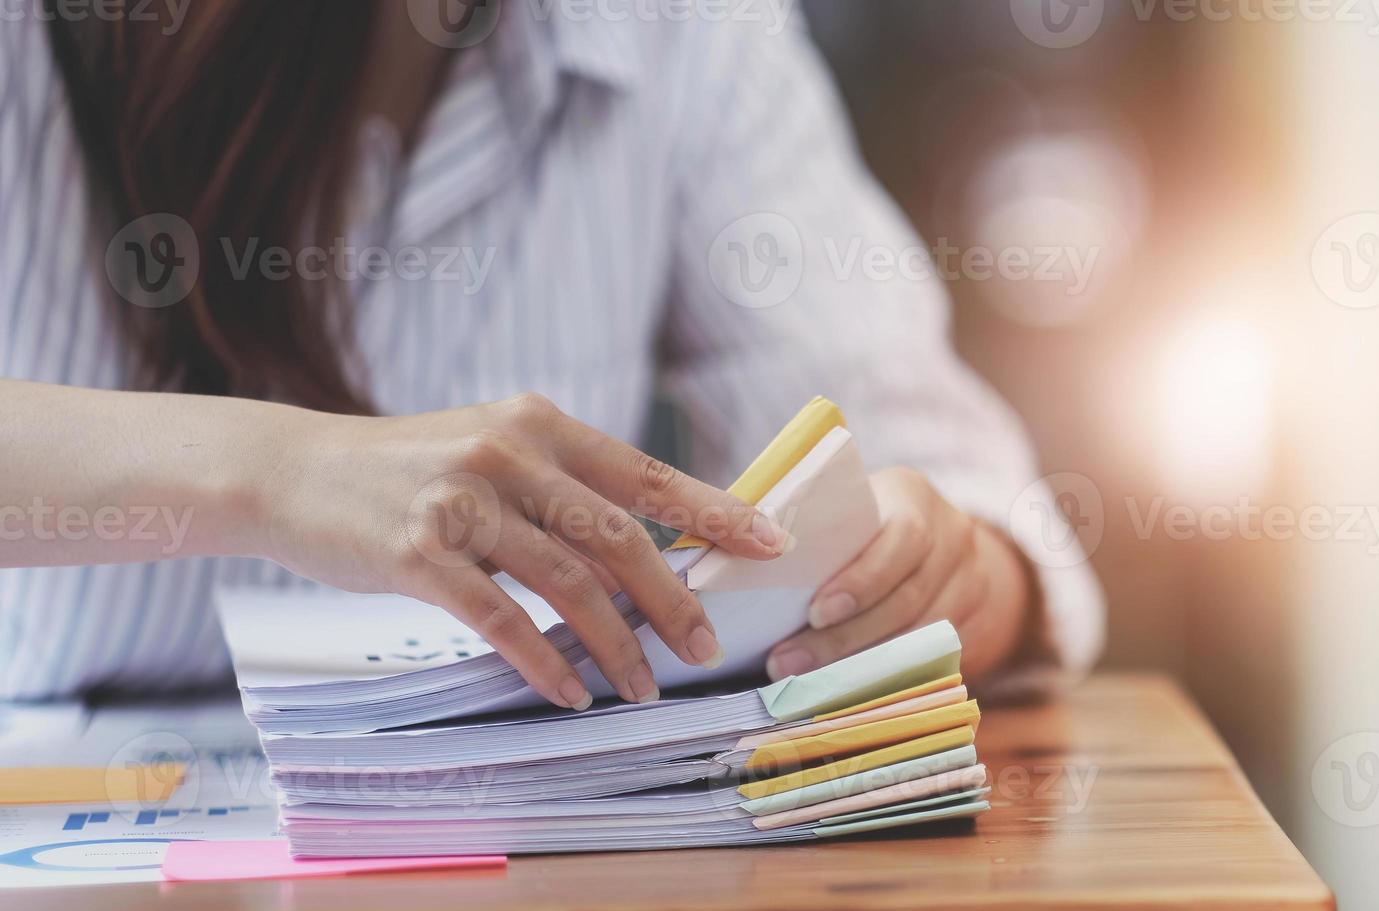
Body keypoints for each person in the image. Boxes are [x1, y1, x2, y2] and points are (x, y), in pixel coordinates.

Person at [0, 2, 1102, 710]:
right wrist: (269, 469)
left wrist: (955, 571)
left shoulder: (682, 34)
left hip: (514, 892)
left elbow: (946, 473)